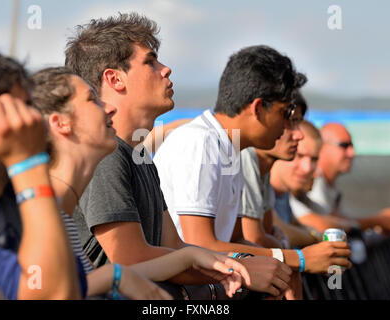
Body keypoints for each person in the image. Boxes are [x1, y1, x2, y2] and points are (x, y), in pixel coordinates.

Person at [66, 13, 292, 299]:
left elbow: (174, 246)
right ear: (115, 79)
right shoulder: (107, 155)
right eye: (150, 62)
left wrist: (241, 264)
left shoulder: (139, 155)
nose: (166, 69)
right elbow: (130, 260)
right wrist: (237, 270)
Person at [31, 66, 250, 299]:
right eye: (91, 100)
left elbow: (97, 279)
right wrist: (115, 277)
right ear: (61, 123)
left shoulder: (59, 214)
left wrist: (192, 258)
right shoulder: (39, 215)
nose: (109, 107)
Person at [154, 43, 352, 292]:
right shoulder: (201, 142)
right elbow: (199, 244)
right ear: (258, 108)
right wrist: (299, 260)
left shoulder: (231, 146)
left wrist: (286, 264)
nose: (294, 131)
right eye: (285, 113)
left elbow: (236, 241)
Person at [0, 46, 81, 299]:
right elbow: (54, 294)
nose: (35, 122)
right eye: (21, 109)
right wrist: (27, 162)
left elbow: (76, 282)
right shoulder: (28, 185)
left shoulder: (14, 201)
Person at [289, 122, 390, 234]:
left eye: (352, 146)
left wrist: (377, 226)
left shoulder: (324, 184)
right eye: (344, 145)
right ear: (323, 148)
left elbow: (336, 221)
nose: (352, 153)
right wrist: (377, 221)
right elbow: (323, 224)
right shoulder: (310, 180)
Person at [240, 92, 321, 250]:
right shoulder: (245, 158)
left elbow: (269, 233)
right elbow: (255, 240)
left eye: (314, 159)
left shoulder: (264, 172)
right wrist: (303, 256)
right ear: (259, 114)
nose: (298, 135)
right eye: (289, 121)